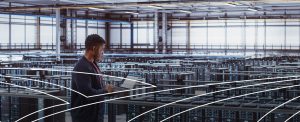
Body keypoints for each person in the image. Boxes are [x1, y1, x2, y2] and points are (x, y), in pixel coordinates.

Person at [71, 34, 114, 122]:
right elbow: (87, 94)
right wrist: (105, 91)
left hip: (95, 116)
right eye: (101, 50)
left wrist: (107, 89)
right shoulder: (82, 67)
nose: (103, 53)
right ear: (94, 49)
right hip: (85, 118)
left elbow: (96, 87)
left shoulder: (93, 65)